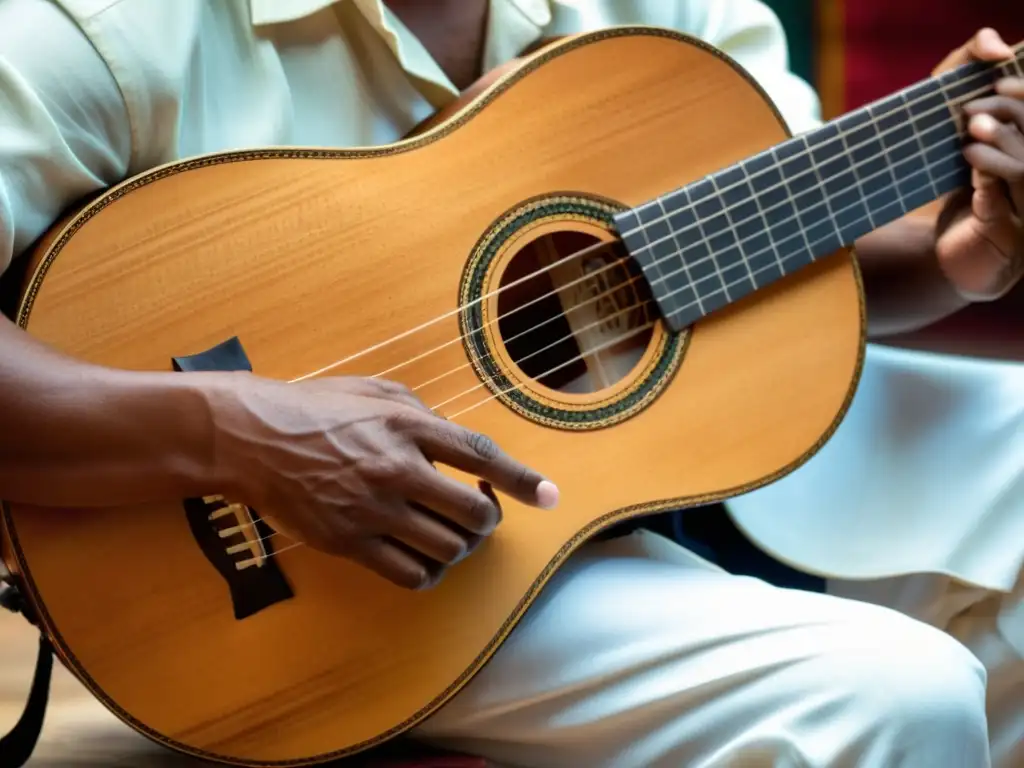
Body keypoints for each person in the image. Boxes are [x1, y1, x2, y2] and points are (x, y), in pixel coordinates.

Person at [0, 1, 1020, 766]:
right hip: (349, 582)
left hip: (648, 449)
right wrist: (230, 434)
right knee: (894, 695)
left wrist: (953, 255)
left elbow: (757, 238)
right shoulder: (106, 25)